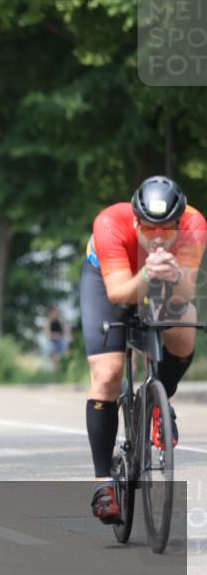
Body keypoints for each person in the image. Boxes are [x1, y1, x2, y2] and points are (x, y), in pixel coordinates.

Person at [81, 176, 206, 524]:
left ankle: (158, 403)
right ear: (135, 221)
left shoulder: (195, 224)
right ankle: (103, 482)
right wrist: (148, 274)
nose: (158, 236)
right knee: (107, 374)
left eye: (167, 229)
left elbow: (183, 296)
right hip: (110, 281)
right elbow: (119, 293)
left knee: (183, 331)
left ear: (180, 222)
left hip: (159, 281)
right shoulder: (110, 223)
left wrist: (171, 276)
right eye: (149, 228)